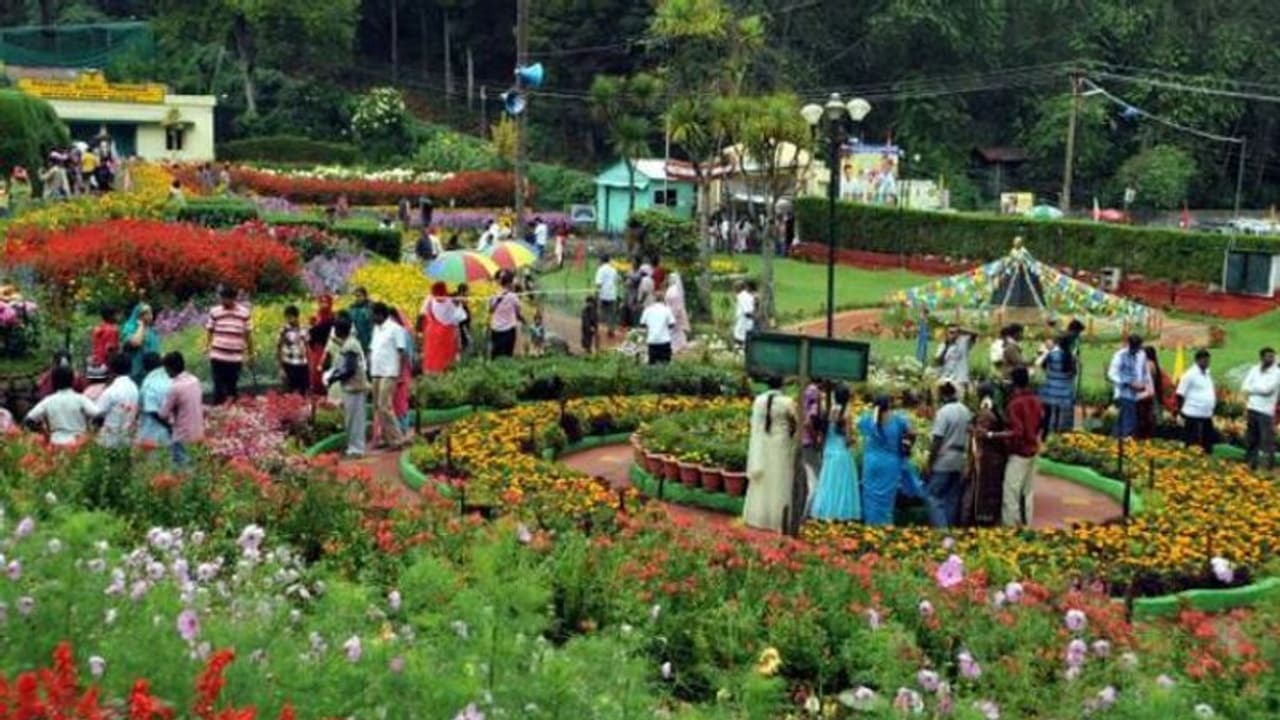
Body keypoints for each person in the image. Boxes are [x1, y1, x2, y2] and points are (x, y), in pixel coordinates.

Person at [743, 375, 798, 532]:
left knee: (764, 479)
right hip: (781, 443)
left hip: (764, 444)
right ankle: (777, 519)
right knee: (780, 478)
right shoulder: (787, 402)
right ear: (782, 385)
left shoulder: (759, 400)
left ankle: (758, 517)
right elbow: (796, 421)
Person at [808, 383, 861, 522]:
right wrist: (854, 440)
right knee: (842, 485)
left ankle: (825, 511)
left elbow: (824, 434)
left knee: (827, 483)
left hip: (829, 451)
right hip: (842, 452)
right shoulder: (846, 414)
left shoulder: (829, 412)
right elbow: (848, 439)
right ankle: (841, 513)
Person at [858, 395, 914, 526]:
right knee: (887, 500)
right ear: (889, 405)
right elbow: (912, 432)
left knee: (870, 497)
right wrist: (906, 446)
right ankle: (885, 528)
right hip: (891, 463)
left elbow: (861, 428)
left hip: (871, 462)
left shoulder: (868, 419)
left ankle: (870, 528)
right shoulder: (898, 420)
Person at [960, 383, 1007, 527]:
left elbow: (980, 434)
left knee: (979, 493)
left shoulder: (986, 413)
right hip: (993, 459)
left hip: (984, 459)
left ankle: (977, 522)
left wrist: (972, 429)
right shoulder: (995, 410)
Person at [927, 381, 972, 527]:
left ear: (942, 395)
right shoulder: (966, 411)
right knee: (952, 498)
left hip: (944, 459)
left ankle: (942, 532)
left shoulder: (944, 412)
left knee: (933, 496)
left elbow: (937, 439)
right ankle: (950, 532)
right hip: (960, 459)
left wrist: (930, 463)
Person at [1001, 367, 1042, 527]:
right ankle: (1027, 525)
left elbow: (1016, 432)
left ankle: (1010, 527)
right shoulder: (1036, 400)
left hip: (1019, 453)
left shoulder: (1015, 403)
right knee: (1027, 492)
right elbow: (1040, 424)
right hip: (1033, 450)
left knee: (1011, 492)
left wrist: (994, 436)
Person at [324, 315, 369, 457]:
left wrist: (333, 378)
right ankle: (353, 447)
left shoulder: (351, 345)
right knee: (351, 419)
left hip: (354, 388)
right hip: (351, 388)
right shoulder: (348, 343)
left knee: (354, 420)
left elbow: (349, 370)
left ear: (339, 330)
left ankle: (356, 449)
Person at [24, 364, 99, 446]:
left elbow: (28, 420)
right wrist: (92, 432)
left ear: (53, 381)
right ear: (72, 380)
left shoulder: (48, 401)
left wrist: (44, 432)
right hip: (79, 443)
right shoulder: (81, 399)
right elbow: (99, 416)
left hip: (56, 444)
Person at [368, 302, 408, 450]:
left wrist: (399, 374)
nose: (371, 317)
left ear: (380, 314)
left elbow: (401, 352)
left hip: (389, 372)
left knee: (385, 406)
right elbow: (372, 349)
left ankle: (397, 439)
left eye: (373, 314)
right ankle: (386, 438)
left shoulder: (396, 329)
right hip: (376, 372)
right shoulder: (376, 329)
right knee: (377, 407)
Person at [206, 288, 253, 405]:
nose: (224, 301)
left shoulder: (244, 313)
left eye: (226, 298)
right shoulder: (215, 312)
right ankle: (217, 413)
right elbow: (210, 330)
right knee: (218, 387)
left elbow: (248, 334)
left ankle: (232, 415)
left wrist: (251, 353)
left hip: (235, 357)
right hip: (217, 356)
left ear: (234, 298)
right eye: (222, 298)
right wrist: (207, 346)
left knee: (232, 386)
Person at [159, 352, 204, 468]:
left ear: (170, 368)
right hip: (198, 432)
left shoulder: (175, 387)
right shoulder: (195, 380)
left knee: (182, 471)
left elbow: (163, 414)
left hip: (182, 435)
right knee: (196, 466)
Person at [1241, 347, 1280, 471]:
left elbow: (1267, 390)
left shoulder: (1277, 373)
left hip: (1265, 412)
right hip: (1252, 409)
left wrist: (1252, 388)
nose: (1272, 359)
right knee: (1252, 439)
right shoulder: (1254, 369)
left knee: (1266, 441)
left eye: (1273, 356)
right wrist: (1255, 388)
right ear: (1262, 357)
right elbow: (1244, 386)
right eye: (1269, 356)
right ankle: (1250, 464)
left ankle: (1268, 467)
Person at [1107, 334, 1151, 439]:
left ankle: (1115, 439)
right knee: (1129, 421)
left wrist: (1144, 383)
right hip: (1123, 392)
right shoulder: (1120, 355)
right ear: (1130, 345)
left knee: (1123, 420)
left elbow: (1145, 372)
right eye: (1135, 347)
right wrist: (1128, 382)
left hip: (1137, 392)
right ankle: (1124, 440)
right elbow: (1112, 374)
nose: (1137, 349)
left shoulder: (1141, 354)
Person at [419, 282, 466, 374]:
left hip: (431, 333)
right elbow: (460, 317)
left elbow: (421, 315)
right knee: (446, 361)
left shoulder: (429, 300)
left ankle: (431, 378)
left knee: (432, 359)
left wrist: (420, 332)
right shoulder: (451, 301)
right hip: (447, 336)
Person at [96, 352, 139, 449]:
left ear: (112, 369)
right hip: (127, 440)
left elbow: (97, 413)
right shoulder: (134, 388)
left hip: (109, 441)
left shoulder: (111, 391)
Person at [1176, 349, 1216, 454]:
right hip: (1193, 414)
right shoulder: (1189, 375)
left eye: (1208, 360)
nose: (1207, 363)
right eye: (1205, 360)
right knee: (1193, 443)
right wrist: (1179, 413)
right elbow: (1180, 394)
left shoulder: (1207, 374)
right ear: (1198, 360)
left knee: (1207, 443)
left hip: (1206, 414)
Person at [1039, 335, 1077, 436]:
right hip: (1064, 389)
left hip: (1051, 387)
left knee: (1048, 413)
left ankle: (1045, 435)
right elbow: (1073, 372)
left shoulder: (1052, 354)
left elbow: (1043, 366)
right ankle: (1057, 434)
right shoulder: (1070, 356)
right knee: (1060, 414)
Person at [798, 381, 824, 517]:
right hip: (809, 444)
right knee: (816, 479)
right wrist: (815, 440)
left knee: (806, 480)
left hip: (801, 442)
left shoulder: (804, 392)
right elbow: (808, 422)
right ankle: (808, 513)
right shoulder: (814, 395)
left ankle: (803, 511)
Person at [136, 352, 172, 449]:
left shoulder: (148, 384)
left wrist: (169, 426)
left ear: (144, 367)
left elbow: (152, 410)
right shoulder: (171, 378)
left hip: (152, 435)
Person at [389, 308, 415, 433]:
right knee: (394, 401)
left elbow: (405, 354)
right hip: (393, 370)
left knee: (400, 400)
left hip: (402, 371)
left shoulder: (402, 333)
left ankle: (402, 428)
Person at [120, 303, 160, 384]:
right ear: (138, 315)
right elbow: (136, 342)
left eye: (150, 312)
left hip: (152, 372)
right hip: (135, 372)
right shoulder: (129, 328)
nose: (149, 315)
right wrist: (140, 326)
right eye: (145, 313)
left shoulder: (152, 331)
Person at [489, 271, 524, 359]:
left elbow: (490, 310)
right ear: (509, 283)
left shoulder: (494, 295)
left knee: (496, 354)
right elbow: (518, 312)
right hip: (509, 330)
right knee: (508, 354)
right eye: (512, 282)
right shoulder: (513, 297)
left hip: (495, 329)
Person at [277, 305, 310, 395]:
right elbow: (278, 348)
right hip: (288, 364)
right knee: (289, 393)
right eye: (287, 317)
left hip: (302, 364)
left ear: (296, 316)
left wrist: (310, 365)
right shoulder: (283, 330)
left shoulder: (304, 329)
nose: (289, 320)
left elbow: (307, 347)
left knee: (302, 392)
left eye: (290, 317)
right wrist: (280, 368)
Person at [307, 295, 336, 394]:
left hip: (330, 346)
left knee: (328, 370)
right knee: (317, 372)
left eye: (326, 302)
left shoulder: (333, 317)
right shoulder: (315, 317)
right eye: (322, 302)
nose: (324, 304)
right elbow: (310, 333)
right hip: (318, 347)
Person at [935, 324, 975, 394]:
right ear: (946, 333)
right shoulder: (942, 345)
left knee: (958, 395)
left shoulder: (964, 342)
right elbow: (938, 362)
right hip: (945, 377)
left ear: (958, 334)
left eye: (955, 332)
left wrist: (962, 329)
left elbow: (975, 334)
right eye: (950, 332)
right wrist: (946, 348)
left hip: (959, 379)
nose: (952, 335)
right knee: (936, 389)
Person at [638, 293, 676, 365]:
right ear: (663, 300)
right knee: (665, 364)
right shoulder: (666, 310)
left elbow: (642, 325)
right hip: (665, 341)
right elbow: (672, 324)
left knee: (652, 363)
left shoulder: (648, 310)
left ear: (653, 300)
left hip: (652, 341)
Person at [88, 307, 120, 378]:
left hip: (96, 364)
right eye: (116, 315)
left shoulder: (98, 328)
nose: (118, 317)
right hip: (106, 366)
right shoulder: (112, 330)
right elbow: (110, 350)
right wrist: (114, 370)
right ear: (110, 316)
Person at [664, 272, 691, 353]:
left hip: (674, 312)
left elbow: (677, 303)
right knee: (675, 330)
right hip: (670, 310)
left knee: (676, 329)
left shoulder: (675, 290)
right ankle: (678, 344)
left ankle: (677, 345)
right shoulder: (671, 288)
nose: (669, 280)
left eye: (671, 278)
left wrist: (674, 314)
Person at [594, 255, 620, 338]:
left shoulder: (600, 270)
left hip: (603, 294)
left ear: (601, 260)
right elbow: (617, 280)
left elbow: (598, 283)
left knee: (599, 311)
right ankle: (611, 330)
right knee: (611, 313)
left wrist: (596, 293)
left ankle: (596, 328)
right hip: (612, 294)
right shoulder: (613, 269)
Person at [347, 286, 374, 353]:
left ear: (365, 296)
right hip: (353, 342)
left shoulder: (370, 308)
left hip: (366, 343)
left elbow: (372, 327)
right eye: (356, 296)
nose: (357, 298)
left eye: (359, 296)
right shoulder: (352, 308)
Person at [733, 281, 757, 347]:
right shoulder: (747, 296)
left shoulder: (742, 297)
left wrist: (756, 318)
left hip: (744, 323)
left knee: (740, 340)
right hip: (745, 323)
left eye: (735, 289)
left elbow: (747, 312)